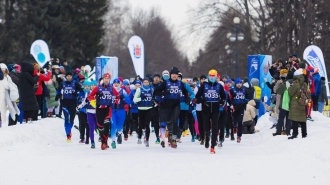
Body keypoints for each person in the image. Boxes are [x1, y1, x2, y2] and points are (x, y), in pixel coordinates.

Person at [154, 67, 189, 148]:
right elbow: (157, 91)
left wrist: (187, 98)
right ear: (170, 75)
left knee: (175, 120)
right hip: (167, 104)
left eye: (175, 74)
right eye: (173, 74)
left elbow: (185, 91)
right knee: (169, 121)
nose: (174, 76)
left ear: (177, 75)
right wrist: (163, 93)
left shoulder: (180, 83)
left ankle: (173, 139)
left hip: (176, 104)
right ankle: (170, 134)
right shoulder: (166, 82)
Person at [195, 69, 226, 154]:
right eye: (210, 76)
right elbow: (197, 96)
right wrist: (203, 101)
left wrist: (222, 102)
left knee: (215, 127)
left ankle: (212, 146)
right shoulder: (204, 85)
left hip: (216, 109)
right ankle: (207, 137)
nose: (212, 77)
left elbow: (223, 97)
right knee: (206, 126)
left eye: (213, 76)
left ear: (216, 77)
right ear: (208, 76)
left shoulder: (219, 86)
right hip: (206, 109)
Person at [86, 73, 113, 150]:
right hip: (99, 109)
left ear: (109, 79)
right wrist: (96, 97)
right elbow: (89, 96)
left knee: (107, 125)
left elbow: (117, 96)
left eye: (108, 79)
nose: (106, 80)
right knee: (100, 127)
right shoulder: (98, 88)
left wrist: (117, 101)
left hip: (108, 108)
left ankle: (104, 142)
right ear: (103, 80)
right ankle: (103, 141)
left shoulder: (111, 88)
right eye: (105, 78)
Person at [56, 71, 84, 142]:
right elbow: (58, 89)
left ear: (72, 77)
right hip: (65, 102)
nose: (69, 77)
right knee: (66, 118)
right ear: (66, 77)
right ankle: (68, 135)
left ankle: (69, 130)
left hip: (73, 102)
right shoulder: (63, 83)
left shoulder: (75, 83)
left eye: (70, 76)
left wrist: (76, 93)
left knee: (71, 119)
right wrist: (58, 95)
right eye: (68, 76)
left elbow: (82, 91)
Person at [133, 78, 154, 147]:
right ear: (142, 83)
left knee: (147, 124)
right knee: (142, 124)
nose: (146, 83)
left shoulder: (151, 89)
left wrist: (154, 102)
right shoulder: (139, 89)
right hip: (141, 108)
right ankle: (143, 132)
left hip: (149, 108)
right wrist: (141, 98)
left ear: (149, 83)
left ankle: (147, 140)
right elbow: (135, 99)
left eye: (147, 82)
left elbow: (154, 97)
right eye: (144, 82)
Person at [288, 68, 307, 139]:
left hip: (295, 103)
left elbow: (290, 93)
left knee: (295, 118)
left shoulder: (295, 84)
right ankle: (304, 134)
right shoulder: (304, 83)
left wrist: (289, 87)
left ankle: (295, 134)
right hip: (302, 102)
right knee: (302, 118)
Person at [110, 78, 130, 149]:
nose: (116, 84)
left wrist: (123, 98)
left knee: (119, 126)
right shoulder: (110, 90)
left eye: (117, 83)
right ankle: (113, 141)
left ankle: (119, 133)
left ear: (120, 84)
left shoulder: (123, 91)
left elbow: (128, 101)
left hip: (121, 110)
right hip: (112, 110)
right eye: (115, 83)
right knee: (113, 125)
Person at [273, 69, 291, 136]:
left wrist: (278, 83)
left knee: (281, 118)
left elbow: (276, 90)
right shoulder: (290, 83)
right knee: (288, 119)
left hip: (283, 104)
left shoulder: (283, 84)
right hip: (289, 104)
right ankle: (287, 131)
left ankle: (279, 131)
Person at [230, 78, 249, 143]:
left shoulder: (244, 89)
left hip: (242, 106)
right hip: (234, 107)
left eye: (240, 83)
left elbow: (248, 96)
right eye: (237, 83)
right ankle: (234, 127)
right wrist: (231, 103)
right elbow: (229, 97)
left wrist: (246, 100)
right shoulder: (232, 89)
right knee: (234, 121)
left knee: (240, 121)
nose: (239, 85)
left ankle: (239, 136)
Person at [151, 74, 162, 143]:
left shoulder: (162, 85)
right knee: (155, 121)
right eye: (155, 78)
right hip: (153, 106)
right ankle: (157, 136)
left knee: (163, 120)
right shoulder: (151, 86)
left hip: (162, 105)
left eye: (158, 78)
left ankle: (164, 134)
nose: (156, 79)